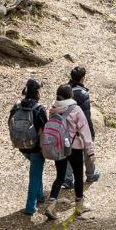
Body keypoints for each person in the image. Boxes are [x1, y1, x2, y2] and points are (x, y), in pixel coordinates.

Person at [45, 84, 95, 220]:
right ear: (71, 96)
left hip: (59, 147)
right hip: (75, 149)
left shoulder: (53, 110)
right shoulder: (76, 109)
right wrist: (90, 151)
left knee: (60, 176)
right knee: (78, 176)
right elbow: (85, 131)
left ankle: (51, 204)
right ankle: (79, 206)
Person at [10, 79, 49, 215]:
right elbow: (44, 130)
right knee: (35, 175)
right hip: (36, 148)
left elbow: (10, 123)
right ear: (37, 91)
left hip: (22, 145)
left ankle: (40, 196)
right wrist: (46, 148)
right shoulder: (39, 109)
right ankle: (30, 206)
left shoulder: (17, 106)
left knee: (36, 171)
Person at [67, 67, 100, 184]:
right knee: (87, 148)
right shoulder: (82, 93)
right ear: (82, 78)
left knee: (69, 151)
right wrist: (90, 131)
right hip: (81, 126)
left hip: (68, 127)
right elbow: (86, 115)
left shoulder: (65, 90)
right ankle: (91, 174)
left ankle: (68, 178)